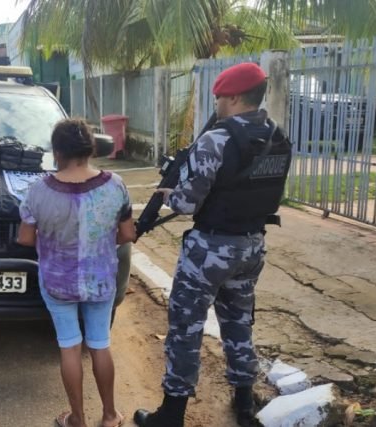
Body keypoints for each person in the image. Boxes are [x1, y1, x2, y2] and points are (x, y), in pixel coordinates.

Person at [133, 63, 292, 427]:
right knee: (238, 323)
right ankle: (244, 403)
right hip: (252, 246)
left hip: (209, 250)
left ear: (234, 97)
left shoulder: (215, 139)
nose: (217, 103)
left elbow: (187, 204)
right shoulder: (278, 136)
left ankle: (171, 414)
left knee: (185, 327)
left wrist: (171, 193)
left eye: (219, 97)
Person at [17, 118, 136, 427]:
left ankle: (77, 419)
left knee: (69, 344)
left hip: (58, 282)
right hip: (100, 281)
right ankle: (110, 415)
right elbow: (127, 235)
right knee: (99, 343)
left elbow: (26, 239)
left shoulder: (38, 191)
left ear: (56, 152)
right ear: (91, 148)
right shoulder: (115, 185)